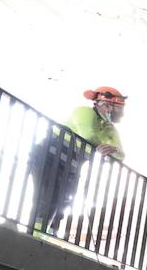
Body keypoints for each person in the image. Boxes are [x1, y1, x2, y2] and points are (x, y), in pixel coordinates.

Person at [32, 86, 127, 231]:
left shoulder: (110, 129)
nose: (122, 113)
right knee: (47, 197)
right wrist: (103, 146)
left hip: (71, 167)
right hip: (49, 157)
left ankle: (48, 233)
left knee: (64, 202)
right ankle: (34, 234)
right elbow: (87, 135)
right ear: (107, 105)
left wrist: (113, 149)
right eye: (120, 108)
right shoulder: (84, 112)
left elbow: (121, 155)